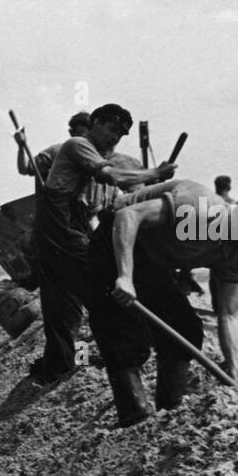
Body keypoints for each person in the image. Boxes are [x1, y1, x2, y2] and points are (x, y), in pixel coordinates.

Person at [86, 179, 238, 426]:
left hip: (152, 257)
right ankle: (135, 415)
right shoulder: (202, 211)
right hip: (115, 240)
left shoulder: (236, 254)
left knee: (186, 328)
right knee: (125, 335)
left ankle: (171, 408)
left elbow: (230, 313)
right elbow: (128, 215)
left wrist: (237, 372)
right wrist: (125, 276)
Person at [29, 104, 177, 383]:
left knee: (62, 303)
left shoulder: (95, 155)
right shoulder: (76, 145)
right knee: (103, 285)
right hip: (59, 229)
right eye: (111, 130)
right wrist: (156, 174)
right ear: (95, 123)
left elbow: (125, 187)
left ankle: (58, 364)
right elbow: (114, 176)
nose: (114, 138)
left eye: (120, 136)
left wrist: (147, 186)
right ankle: (128, 351)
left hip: (61, 229)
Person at [16, 111, 91, 182]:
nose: (83, 142)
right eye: (80, 137)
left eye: (87, 137)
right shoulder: (57, 151)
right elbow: (24, 168)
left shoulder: (99, 156)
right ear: (71, 133)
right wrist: (21, 146)